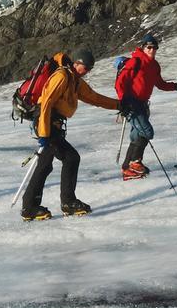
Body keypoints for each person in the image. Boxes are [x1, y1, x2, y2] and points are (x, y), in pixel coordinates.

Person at [21, 49, 120, 221]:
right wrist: (44, 134)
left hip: (54, 124)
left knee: (69, 158)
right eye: (85, 67)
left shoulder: (75, 80)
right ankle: (31, 207)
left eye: (89, 68)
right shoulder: (62, 76)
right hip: (46, 121)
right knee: (49, 163)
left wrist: (118, 105)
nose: (87, 71)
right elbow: (46, 104)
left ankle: (61, 203)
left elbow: (94, 98)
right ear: (76, 63)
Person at [115, 34, 177, 179]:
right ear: (143, 47)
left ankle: (127, 169)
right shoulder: (135, 62)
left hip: (143, 104)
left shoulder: (154, 65)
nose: (152, 50)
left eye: (154, 48)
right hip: (132, 103)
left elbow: (160, 84)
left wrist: (176, 87)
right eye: (149, 47)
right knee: (147, 132)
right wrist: (123, 101)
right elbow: (120, 83)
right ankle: (135, 163)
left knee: (137, 136)